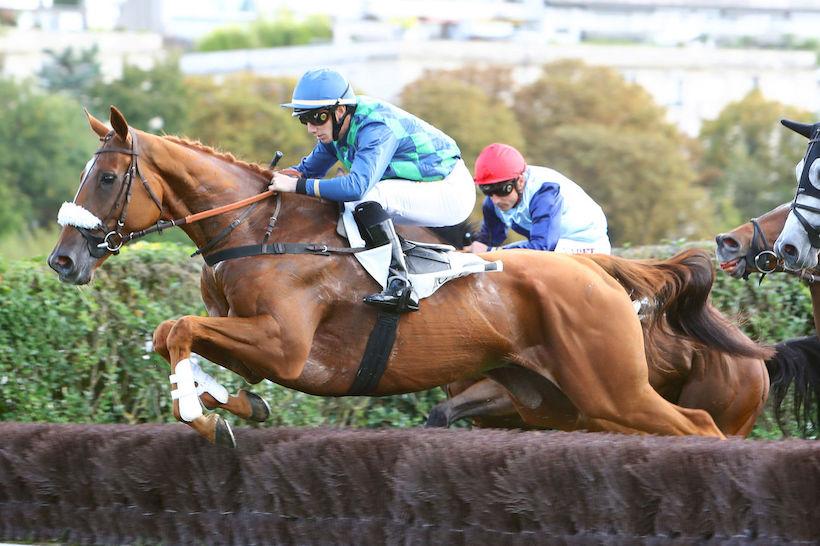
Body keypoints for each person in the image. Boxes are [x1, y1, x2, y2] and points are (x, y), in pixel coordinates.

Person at [268, 68, 475, 313]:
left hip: (450, 191)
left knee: (366, 196)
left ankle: (400, 284)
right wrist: (266, 179)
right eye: (305, 119)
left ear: (340, 110)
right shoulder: (336, 130)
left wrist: (296, 186)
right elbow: (306, 172)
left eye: (318, 118)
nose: (311, 128)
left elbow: (356, 187)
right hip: (422, 187)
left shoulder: (375, 128)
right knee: (340, 201)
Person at [466, 143, 611, 255]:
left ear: (520, 181)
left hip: (588, 245)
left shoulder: (545, 192)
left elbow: (542, 248)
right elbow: (487, 242)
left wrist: (491, 252)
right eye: (487, 190)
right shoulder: (492, 203)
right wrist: (473, 247)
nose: (496, 200)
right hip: (552, 246)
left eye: (502, 190)